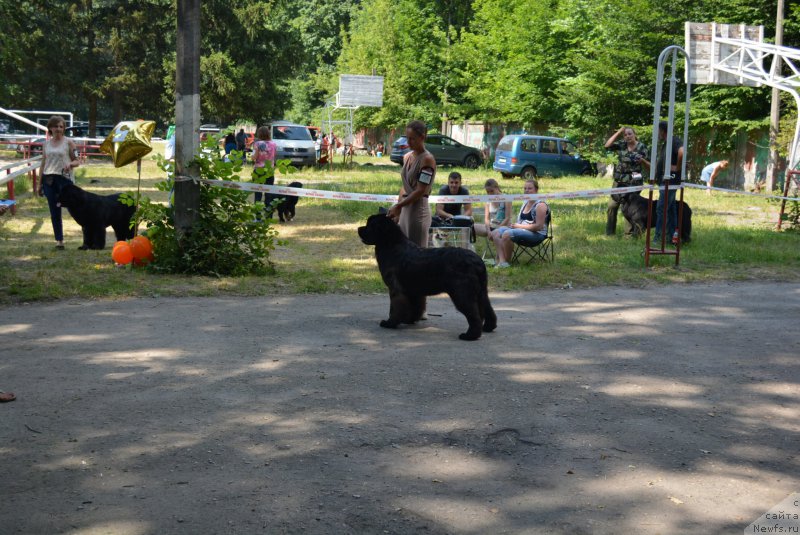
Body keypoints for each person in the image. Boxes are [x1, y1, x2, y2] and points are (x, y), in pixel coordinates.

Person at [387, 120, 436, 247]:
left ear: (422, 137)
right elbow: (405, 186)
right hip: (405, 209)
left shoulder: (427, 159)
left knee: (418, 253)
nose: (408, 142)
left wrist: (399, 206)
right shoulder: (407, 156)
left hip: (418, 212)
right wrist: (398, 208)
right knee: (404, 251)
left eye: (412, 139)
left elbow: (421, 190)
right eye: (407, 138)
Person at [38, 115, 79, 250]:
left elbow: (77, 161)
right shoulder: (46, 144)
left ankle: (87, 234)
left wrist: (70, 164)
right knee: (54, 211)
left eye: (61, 126)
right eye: (56, 126)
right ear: (50, 128)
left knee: (74, 208)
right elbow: (43, 164)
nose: (58, 129)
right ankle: (59, 240)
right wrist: (39, 184)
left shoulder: (69, 143)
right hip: (49, 180)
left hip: (64, 180)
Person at [641, 121, 684, 245]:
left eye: (658, 131)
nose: (657, 134)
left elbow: (682, 152)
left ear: (662, 131)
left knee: (661, 208)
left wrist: (677, 167)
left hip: (670, 181)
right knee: (670, 210)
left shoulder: (674, 140)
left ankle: (658, 237)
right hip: (665, 182)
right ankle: (673, 238)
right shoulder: (666, 143)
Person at [490, 179, 549, 268]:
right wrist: (514, 225)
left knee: (507, 234)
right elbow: (520, 222)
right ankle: (501, 261)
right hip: (521, 230)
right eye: (525, 188)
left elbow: (539, 227)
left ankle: (507, 262)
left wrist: (519, 226)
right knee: (495, 232)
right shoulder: (525, 202)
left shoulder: (540, 205)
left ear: (536, 190)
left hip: (537, 234)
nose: (526, 190)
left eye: (530, 188)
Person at [604, 126, 648, 236]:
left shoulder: (642, 147)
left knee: (630, 208)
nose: (627, 136)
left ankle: (628, 234)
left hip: (634, 182)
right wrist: (619, 132)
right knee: (612, 206)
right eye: (625, 135)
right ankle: (610, 233)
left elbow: (649, 165)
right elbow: (607, 145)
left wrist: (642, 161)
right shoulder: (621, 144)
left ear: (634, 134)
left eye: (630, 134)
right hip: (619, 182)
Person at [251, 126, 277, 213]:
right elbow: (274, 156)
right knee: (268, 193)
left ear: (259, 134)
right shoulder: (274, 144)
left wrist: (252, 156)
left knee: (258, 193)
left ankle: (258, 216)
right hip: (269, 171)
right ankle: (268, 215)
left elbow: (254, 157)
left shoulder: (257, 144)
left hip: (258, 170)